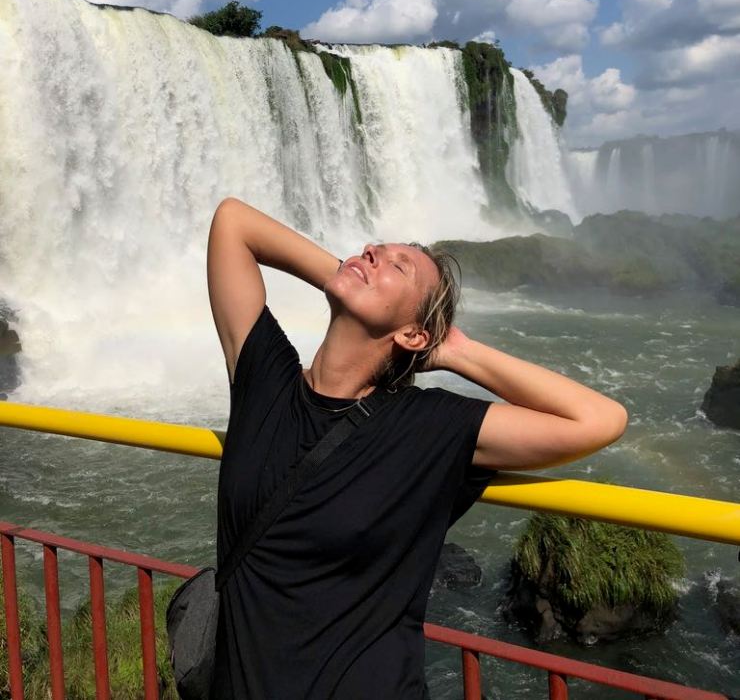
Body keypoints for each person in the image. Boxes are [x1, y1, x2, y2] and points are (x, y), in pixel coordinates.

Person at [206, 198, 628, 699]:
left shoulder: (430, 427)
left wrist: (453, 349)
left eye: (397, 265)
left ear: (413, 333)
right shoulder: (265, 384)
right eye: (370, 249)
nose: (368, 252)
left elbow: (600, 420)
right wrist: (351, 274)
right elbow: (234, 222)